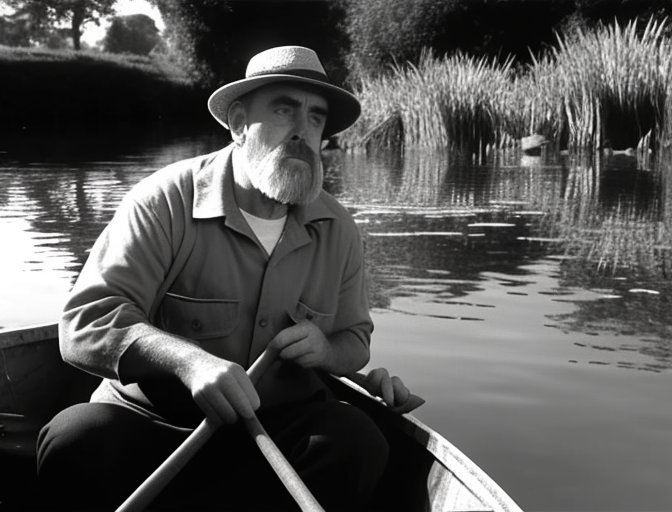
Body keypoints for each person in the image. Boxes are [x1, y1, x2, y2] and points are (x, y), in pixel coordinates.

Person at [37, 46, 414, 511]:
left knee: (358, 441)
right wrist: (188, 361)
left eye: (316, 118)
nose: (302, 131)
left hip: (277, 433)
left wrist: (327, 349)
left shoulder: (339, 229)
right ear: (238, 123)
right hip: (157, 426)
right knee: (75, 438)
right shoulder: (164, 201)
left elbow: (355, 340)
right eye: (284, 110)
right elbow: (84, 324)